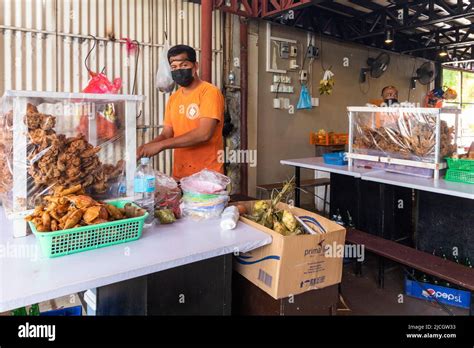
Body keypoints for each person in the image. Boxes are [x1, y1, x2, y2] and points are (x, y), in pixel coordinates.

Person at [137, 45, 225, 180]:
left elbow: (204, 133)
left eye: (183, 65)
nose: (178, 70)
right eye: (174, 67)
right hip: (181, 176)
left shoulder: (209, 92)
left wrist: (160, 146)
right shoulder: (174, 98)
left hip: (207, 176)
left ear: (195, 66)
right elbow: (167, 134)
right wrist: (142, 149)